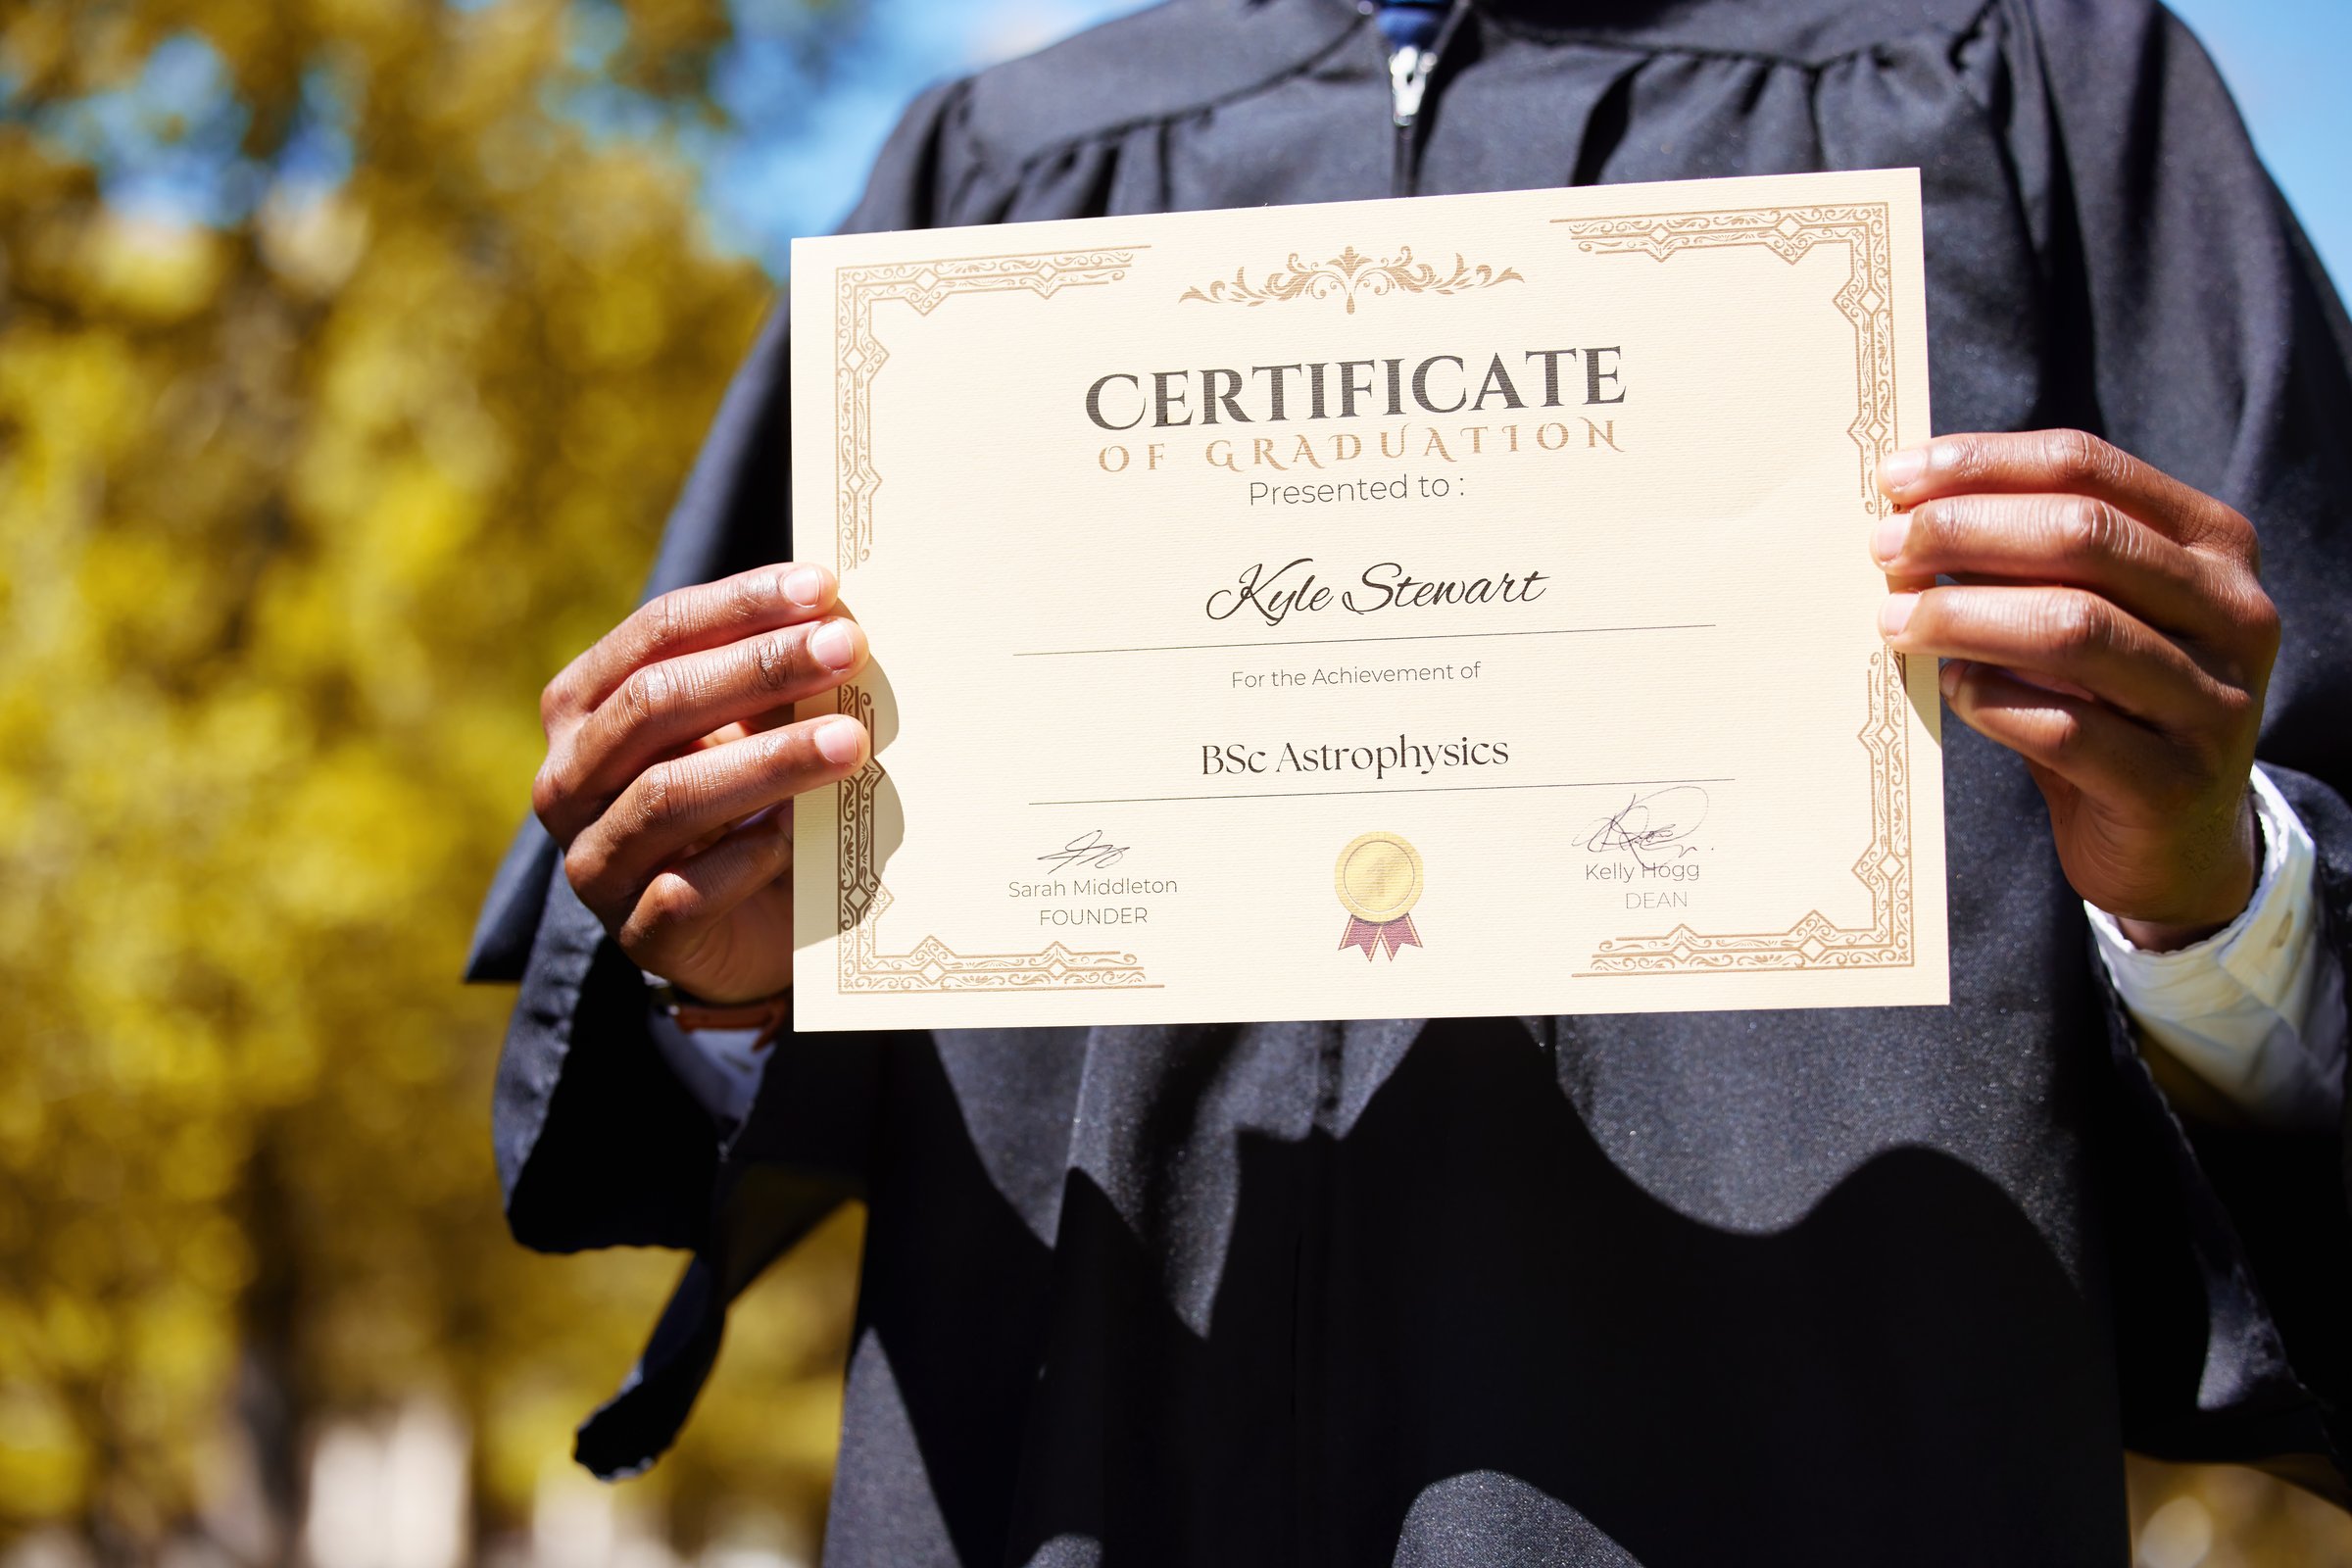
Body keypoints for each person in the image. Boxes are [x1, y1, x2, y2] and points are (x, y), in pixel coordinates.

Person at [466, 0, 2352, 1560]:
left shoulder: (2030, 85)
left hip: (1824, 1481)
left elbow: (2301, 880)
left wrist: (2208, 897)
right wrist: (714, 966)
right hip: (1081, 1483)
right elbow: (721, 952)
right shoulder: (992, 186)